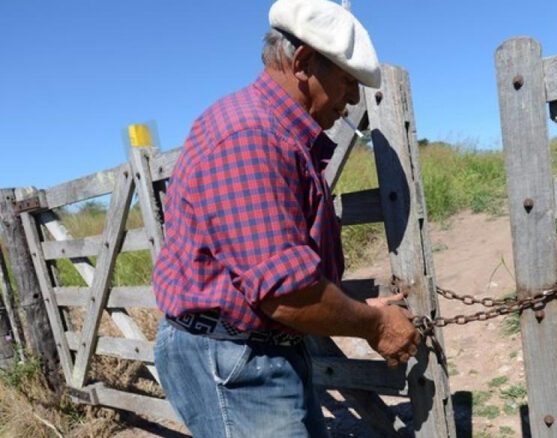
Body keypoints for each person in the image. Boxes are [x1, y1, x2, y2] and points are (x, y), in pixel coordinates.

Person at [151, 0, 421, 436]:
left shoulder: (273, 133)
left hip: (248, 349)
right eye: (348, 81)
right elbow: (288, 294)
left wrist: (352, 310)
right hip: (235, 358)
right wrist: (373, 324)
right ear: (303, 63)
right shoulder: (252, 136)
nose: (352, 98)